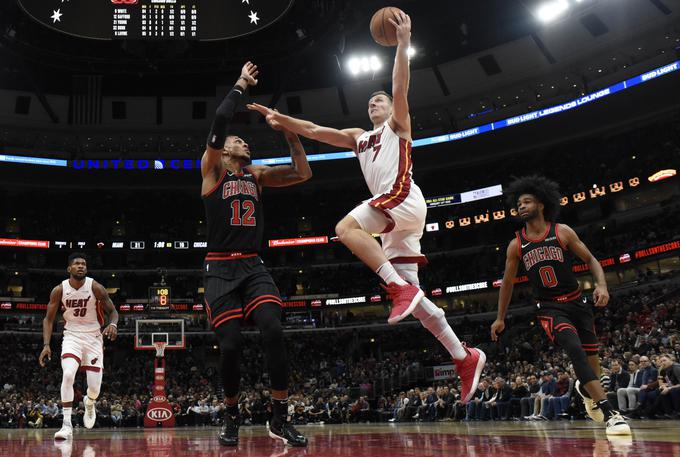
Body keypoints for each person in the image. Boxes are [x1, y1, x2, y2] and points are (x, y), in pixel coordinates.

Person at [248, 11, 484, 404]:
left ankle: (395, 287)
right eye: (371, 100)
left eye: (380, 100)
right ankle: (464, 356)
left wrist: (404, 44)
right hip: (396, 219)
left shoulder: (397, 125)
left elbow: (400, 85)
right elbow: (315, 131)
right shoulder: (359, 137)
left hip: (402, 197)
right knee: (418, 299)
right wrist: (280, 119)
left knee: (345, 229)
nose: (374, 102)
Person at [201, 62, 310, 447]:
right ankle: (231, 416)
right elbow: (219, 119)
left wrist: (291, 134)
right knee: (230, 346)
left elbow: (302, 173)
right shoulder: (212, 172)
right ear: (225, 150)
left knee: (274, 330)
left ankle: (279, 417)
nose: (244, 143)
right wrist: (241, 85)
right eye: (237, 142)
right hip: (219, 269)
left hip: (253, 265)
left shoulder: (257, 175)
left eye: (244, 142)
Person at [490, 175, 630, 435]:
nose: (521, 206)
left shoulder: (562, 231)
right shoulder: (516, 245)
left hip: (577, 302)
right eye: (518, 203)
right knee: (574, 349)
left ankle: (585, 389)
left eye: (527, 201)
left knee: (591, 360)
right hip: (550, 308)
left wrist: (601, 285)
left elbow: (591, 260)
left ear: (541, 204)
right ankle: (612, 413)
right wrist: (500, 318)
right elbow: (507, 284)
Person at [39, 253, 119, 439]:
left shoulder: (95, 287)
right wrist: (46, 345)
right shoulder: (59, 290)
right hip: (72, 336)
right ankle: (66, 425)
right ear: (69, 269)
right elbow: (48, 319)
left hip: (94, 337)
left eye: (83, 264)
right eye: (77, 264)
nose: (81, 266)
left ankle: (89, 402)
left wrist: (113, 324)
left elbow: (113, 311)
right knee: (67, 375)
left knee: (95, 389)